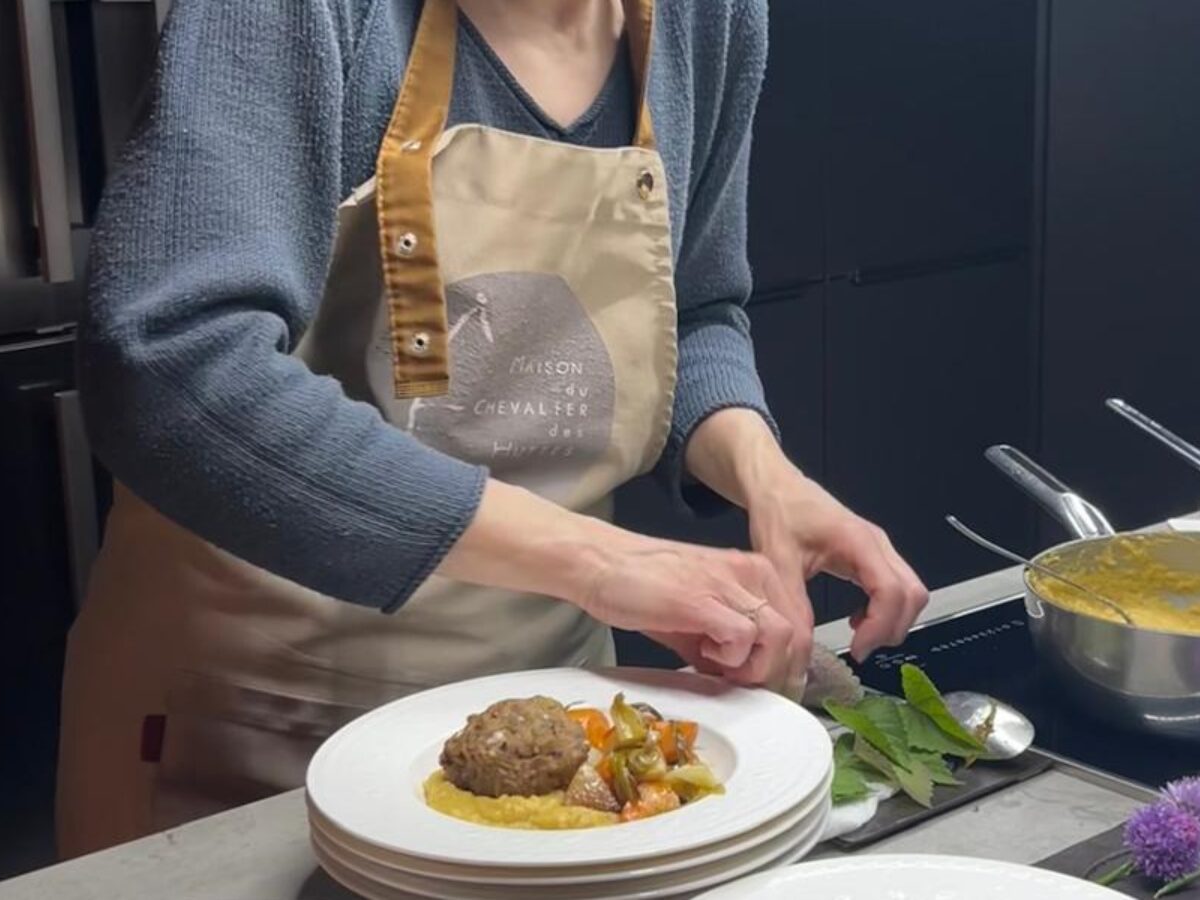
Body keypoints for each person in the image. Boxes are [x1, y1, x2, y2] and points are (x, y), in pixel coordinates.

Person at [56, 0, 928, 858]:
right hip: (255, 713)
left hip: (557, 706)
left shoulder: (713, 19)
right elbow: (171, 366)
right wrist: (601, 561)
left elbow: (694, 307)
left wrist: (763, 473)